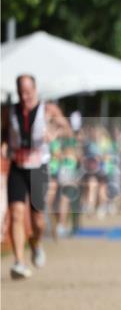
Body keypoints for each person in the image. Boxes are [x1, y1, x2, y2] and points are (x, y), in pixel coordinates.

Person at [3, 74, 70, 279]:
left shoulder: (48, 109)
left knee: (38, 219)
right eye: (22, 92)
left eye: (29, 92)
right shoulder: (9, 111)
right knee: (15, 212)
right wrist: (4, 144)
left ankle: (36, 242)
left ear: (35, 90)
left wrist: (54, 133)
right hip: (17, 166)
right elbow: (4, 132)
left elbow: (67, 129)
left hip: (39, 167)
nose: (25, 96)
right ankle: (19, 262)